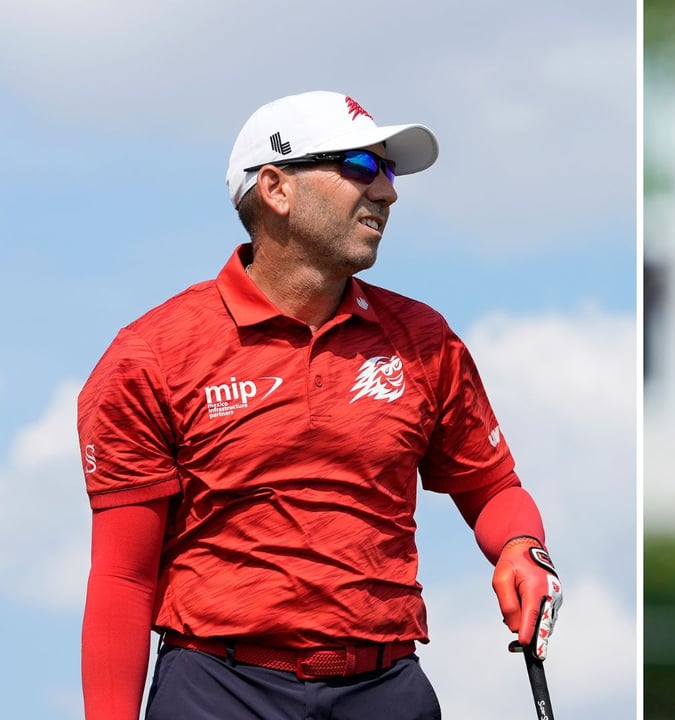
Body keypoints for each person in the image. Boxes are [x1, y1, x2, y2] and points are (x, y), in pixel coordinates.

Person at [77, 91, 563, 720]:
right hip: (217, 691)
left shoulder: (423, 338)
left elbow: (493, 488)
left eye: (388, 173)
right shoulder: (151, 354)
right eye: (361, 167)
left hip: (385, 688)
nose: (387, 193)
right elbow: (123, 578)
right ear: (276, 189)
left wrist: (523, 545)